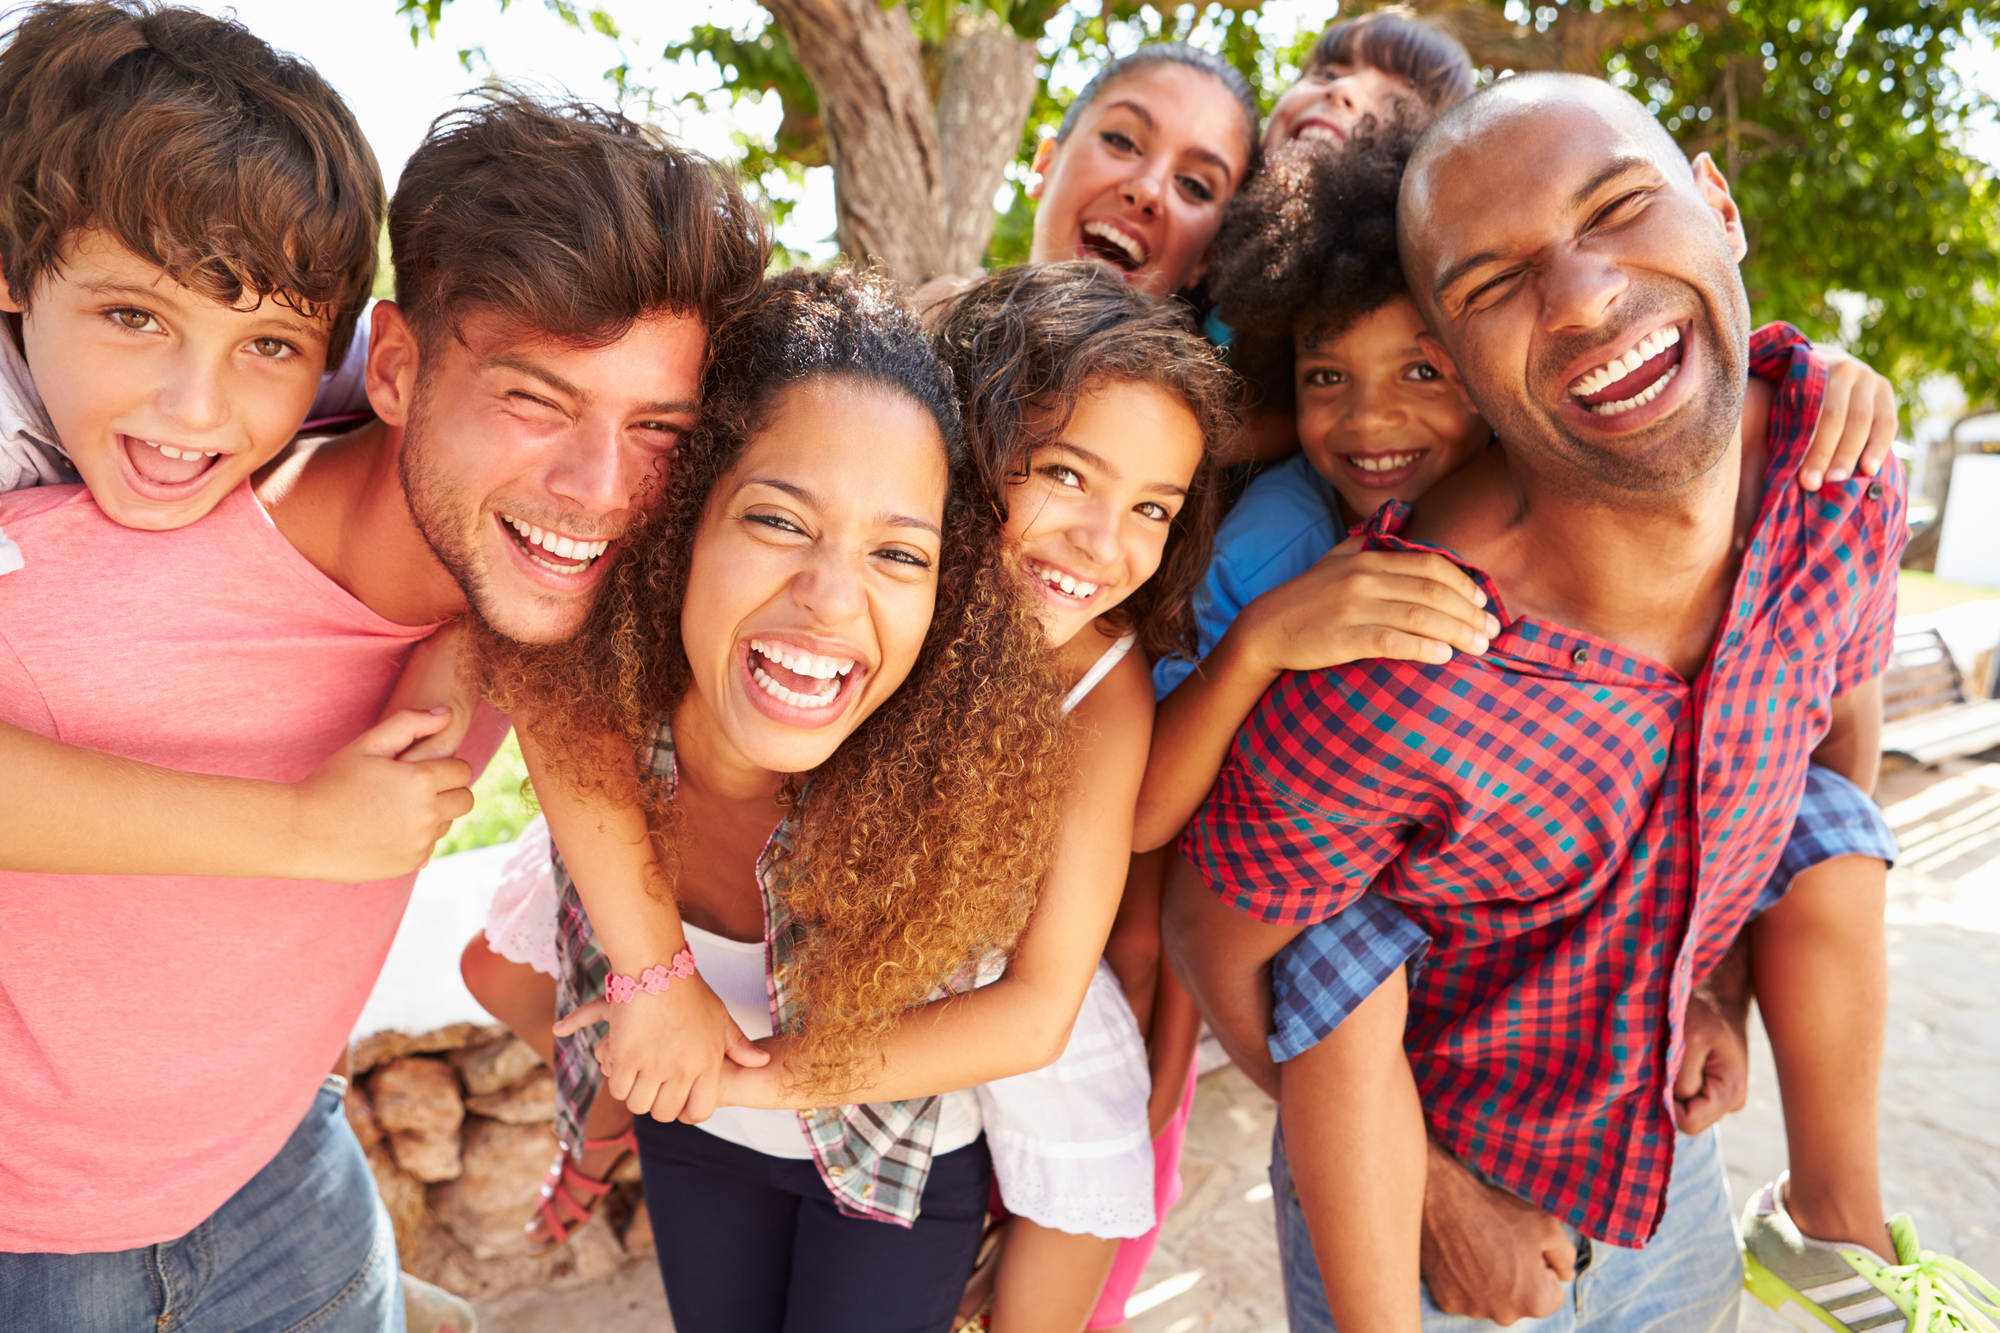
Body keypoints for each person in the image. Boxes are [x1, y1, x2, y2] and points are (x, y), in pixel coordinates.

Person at [1160, 72, 1973, 1332]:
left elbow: (1826, 734)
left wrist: (1715, 982)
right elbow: (1215, 939)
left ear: (1718, 203)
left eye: (1620, 206)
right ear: (1470, 366)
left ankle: (1836, 1221)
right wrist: (1431, 1193)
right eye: (1490, 285)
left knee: (1822, 815)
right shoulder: (1392, 653)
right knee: (1339, 949)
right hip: (1421, 1190)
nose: (1586, 292)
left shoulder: (1834, 472)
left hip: (1661, 1167)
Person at [0, 77, 766, 1331]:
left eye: (657, 430)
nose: (597, 487)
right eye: (535, 398)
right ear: (396, 367)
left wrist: (651, 972)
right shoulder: (53, 587)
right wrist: (304, 826)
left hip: (290, 1183)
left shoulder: (532, 588)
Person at [468, 267, 1072, 1332]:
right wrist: (615, 1115)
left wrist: (717, 1075)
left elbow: (1030, 1021)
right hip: (696, 1147)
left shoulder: (949, 778)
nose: (832, 597)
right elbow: (516, 654)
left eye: (897, 552)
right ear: (682, 526)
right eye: (778, 520)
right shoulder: (597, 732)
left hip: (890, 1172)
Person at [924, 261, 1235, 1333]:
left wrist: (752, 1078)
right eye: (1065, 474)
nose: (1106, 545)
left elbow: (1044, 1001)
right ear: (969, 442)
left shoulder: (1103, 685)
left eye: (1151, 507)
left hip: (1038, 1052)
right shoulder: (871, 605)